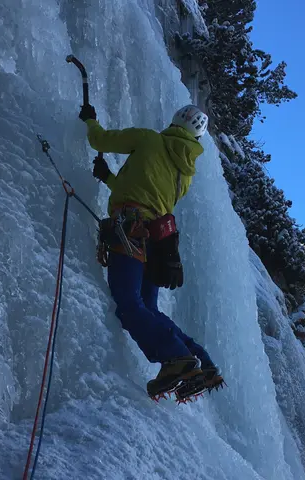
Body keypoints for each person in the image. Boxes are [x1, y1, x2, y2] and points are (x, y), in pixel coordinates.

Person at [78, 103, 224, 400]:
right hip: (157, 244)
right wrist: (108, 178)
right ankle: (202, 362)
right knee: (148, 307)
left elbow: (100, 140)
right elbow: (148, 196)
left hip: (129, 232)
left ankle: (176, 358)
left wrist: (90, 120)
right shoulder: (186, 174)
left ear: (174, 121)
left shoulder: (148, 139)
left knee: (128, 302)